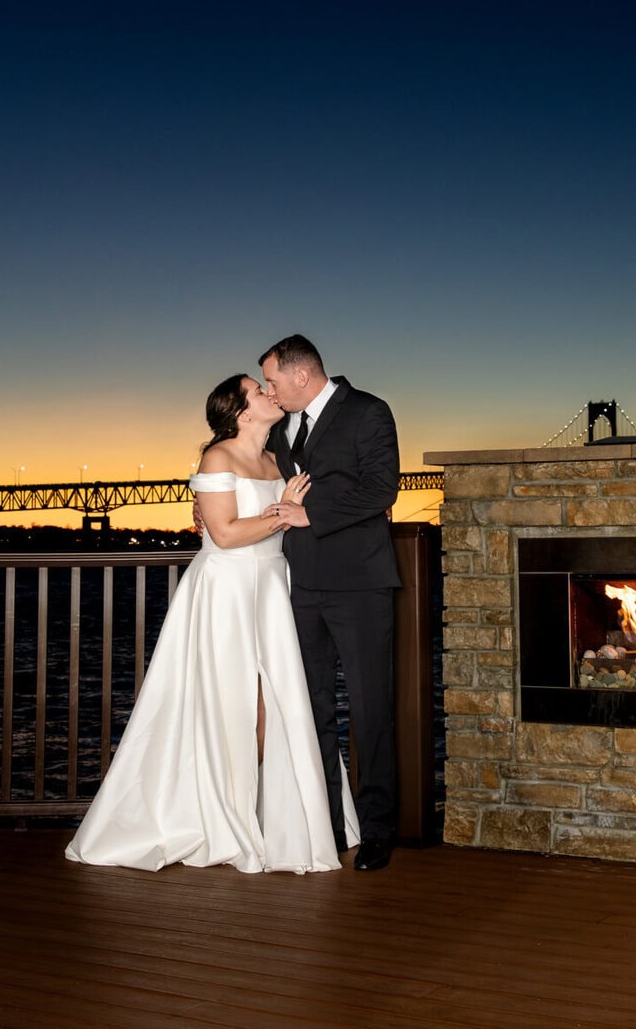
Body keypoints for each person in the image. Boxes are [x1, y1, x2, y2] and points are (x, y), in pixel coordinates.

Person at [66, 374, 357, 873]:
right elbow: (222, 533)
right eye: (258, 389)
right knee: (227, 705)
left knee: (276, 706)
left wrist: (282, 510)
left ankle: (267, 815)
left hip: (271, 588)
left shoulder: (279, 456)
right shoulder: (219, 457)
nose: (270, 392)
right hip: (226, 590)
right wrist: (286, 513)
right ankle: (221, 815)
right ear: (242, 412)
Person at [258, 334, 402, 871]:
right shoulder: (279, 426)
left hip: (361, 584)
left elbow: (381, 489)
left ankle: (378, 831)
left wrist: (312, 516)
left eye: (273, 380)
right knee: (313, 707)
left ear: (301, 375)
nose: (270, 391)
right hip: (300, 586)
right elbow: (241, 462)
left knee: (370, 712)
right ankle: (330, 827)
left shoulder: (368, 412)